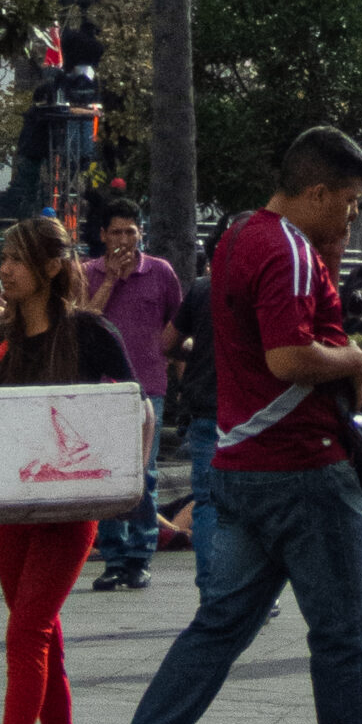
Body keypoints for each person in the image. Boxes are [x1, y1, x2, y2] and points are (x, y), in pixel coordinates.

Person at [90, 126, 362, 724]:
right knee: (344, 635)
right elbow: (286, 356)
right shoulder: (289, 251)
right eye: (346, 202)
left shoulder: (241, 234)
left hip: (239, 466)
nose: (351, 217)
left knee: (218, 626)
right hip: (302, 467)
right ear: (315, 192)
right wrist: (355, 363)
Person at [0, 216, 141, 724]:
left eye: (15, 259)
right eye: (4, 259)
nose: (4, 269)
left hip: (70, 510)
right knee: (41, 635)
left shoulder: (91, 335)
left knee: (28, 629)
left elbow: (131, 412)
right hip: (9, 510)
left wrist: (129, 483)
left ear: (49, 267)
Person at [83, 207, 183, 592]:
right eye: (117, 233)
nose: (125, 240)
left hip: (148, 387)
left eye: (131, 232)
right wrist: (109, 281)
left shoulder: (160, 272)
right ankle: (113, 556)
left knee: (143, 472)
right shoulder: (88, 272)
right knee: (107, 474)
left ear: (141, 234)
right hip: (101, 388)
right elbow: (84, 322)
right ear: (104, 235)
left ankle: (141, 554)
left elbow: (176, 329)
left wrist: (180, 375)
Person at [160, 219, 230, 594]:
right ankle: (248, 593)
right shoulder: (264, 291)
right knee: (248, 508)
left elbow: (166, 343)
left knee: (206, 504)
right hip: (248, 415)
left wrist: (196, 350)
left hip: (204, 408)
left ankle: (210, 589)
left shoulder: (202, 289)